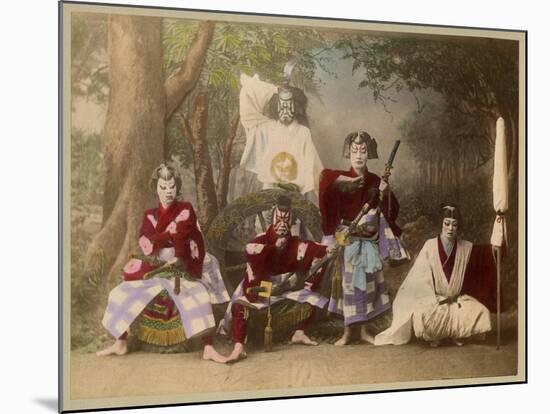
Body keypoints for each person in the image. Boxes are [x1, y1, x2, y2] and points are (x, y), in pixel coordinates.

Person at [96, 163, 229, 363]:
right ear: (155, 188)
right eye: (163, 187)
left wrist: (166, 240)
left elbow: (184, 238)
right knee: (120, 291)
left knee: (199, 294)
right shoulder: (150, 214)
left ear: (177, 187)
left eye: (172, 187)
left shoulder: (186, 209)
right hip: (156, 268)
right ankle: (120, 342)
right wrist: (169, 238)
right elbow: (148, 244)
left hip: (179, 268)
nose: (168, 192)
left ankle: (208, 347)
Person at [219, 196, 335, 363]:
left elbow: (316, 249)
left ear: (290, 224)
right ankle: (239, 347)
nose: (282, 226)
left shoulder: (296, 243)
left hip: (284, 289)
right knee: (239, 306)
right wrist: (273, 249)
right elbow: (251, 257)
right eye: (278, 221)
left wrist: (331, 249)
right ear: (272, 221)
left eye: (285, 223)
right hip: (260, 288)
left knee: (313, 298)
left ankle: (299, 332)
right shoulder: (260, 241)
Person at [319, 131, 408, 346]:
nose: (358, 155)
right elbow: (323, 180)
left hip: (369, 240)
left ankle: (365, 331)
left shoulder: (377, 181)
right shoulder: (340, 178)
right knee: (348, 287)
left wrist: (385, 195)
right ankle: (348, 333)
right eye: (354, 151)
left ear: (370, 154)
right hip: (347, 239)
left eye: (363, 151)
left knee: (368, 285)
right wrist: (342, 182)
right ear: (348, 154)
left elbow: (391, 210)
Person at [374, 204, 498, 347]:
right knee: (422, 315)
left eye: (454, 225)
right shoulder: (430, 246)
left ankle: (453, 334)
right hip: (436, 300)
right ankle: (446, 334)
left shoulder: (466, 247)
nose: (450, 228)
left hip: (456, 301)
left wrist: (496, 246)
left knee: (481, 312)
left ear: (458, 227)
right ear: (441, 224)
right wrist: (430, 299)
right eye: (447, 224)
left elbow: (483, 256)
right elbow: (420, 277)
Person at [238, 73, 323, 197]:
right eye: (281, 106)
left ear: (296, 108)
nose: (285, 112)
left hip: (294, 192)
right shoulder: (268, 128)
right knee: (266, 214)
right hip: (269, 189)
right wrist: (274, 90)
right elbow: (248, 108)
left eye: (288, 107)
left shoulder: (303, 133)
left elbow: (314, 166)